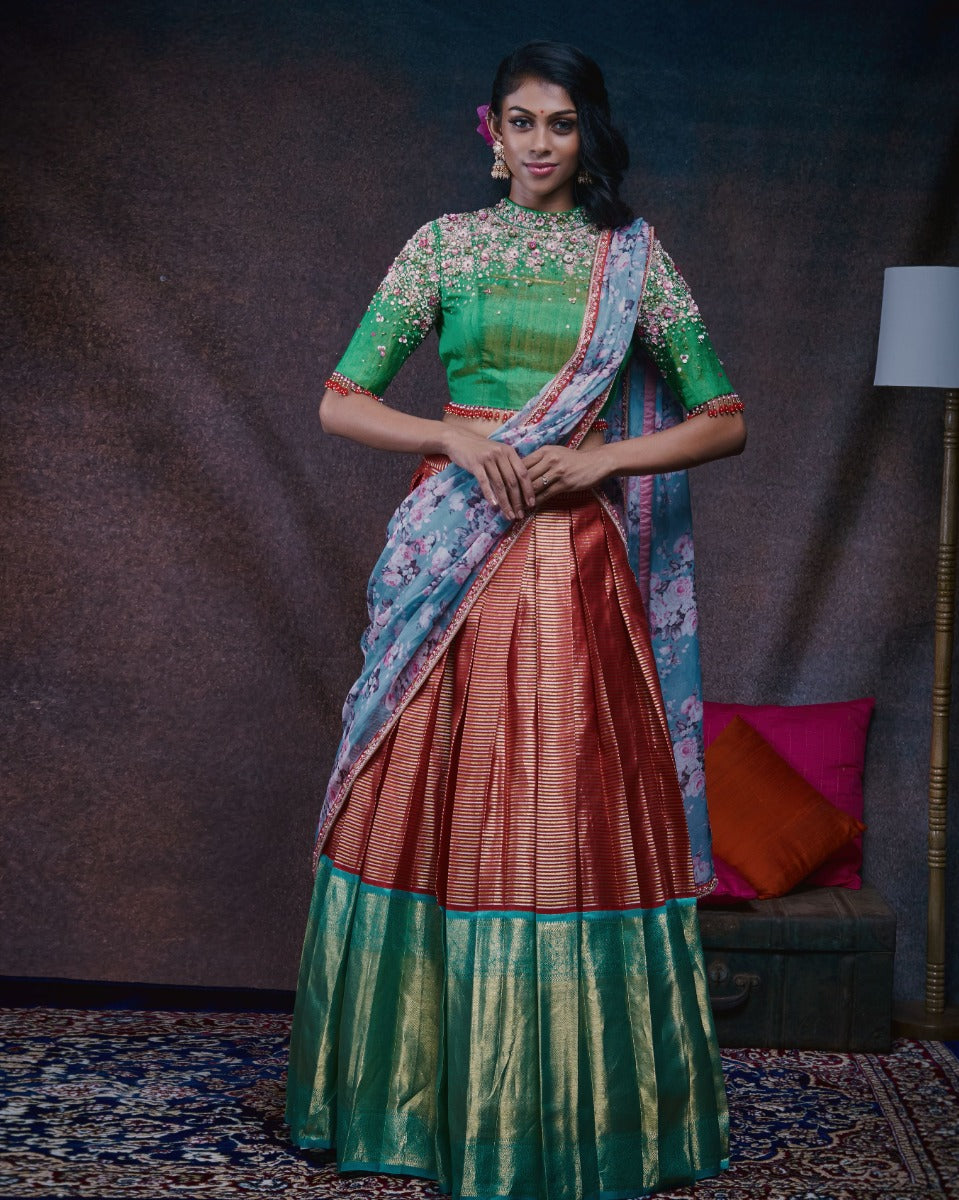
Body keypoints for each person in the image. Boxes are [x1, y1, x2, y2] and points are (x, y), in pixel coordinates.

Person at [285, 40, 746, 1200]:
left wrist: (599, 462)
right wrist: (451, 437)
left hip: (576, 569)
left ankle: (569, 1111)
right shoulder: (442, 246)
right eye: (522, 122)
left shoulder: (631, 260)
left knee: (563, 808)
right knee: (428, 800)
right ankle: (409, 1096)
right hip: (452, 556)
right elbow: (341, 402)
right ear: (487, 132)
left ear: (587, 135)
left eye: (562, 123)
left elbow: (722, 419)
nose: (541, 144)